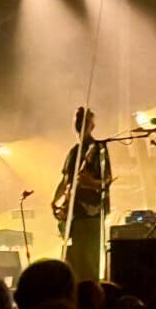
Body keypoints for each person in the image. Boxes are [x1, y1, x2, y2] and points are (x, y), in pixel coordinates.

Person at [52, 107, 110, 282]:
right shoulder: (74, 151)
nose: (80, 123)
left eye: (84, 120)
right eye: (78, 120)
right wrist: (54, 201)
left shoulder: (98, 149)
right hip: (73, 215)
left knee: (89, 262)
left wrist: (90, 182)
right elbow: (65, 180)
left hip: (91, 213)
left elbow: (107, 180)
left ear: (92, 125)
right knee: (73, 260)